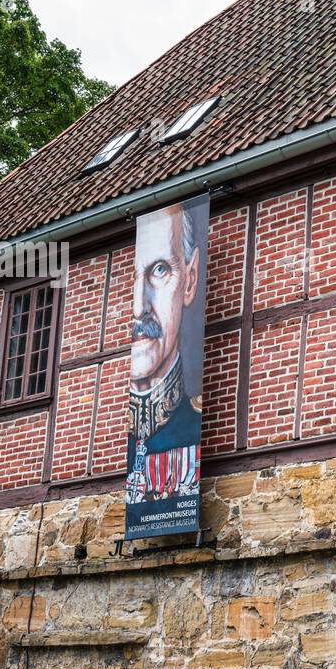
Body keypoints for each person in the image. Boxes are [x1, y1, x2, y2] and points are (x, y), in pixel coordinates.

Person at [126, 201, 203, 504]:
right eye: (131, 277)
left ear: (191, 279)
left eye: (159, 270)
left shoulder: (191, 422)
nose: (137, 308)